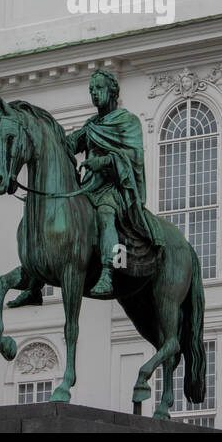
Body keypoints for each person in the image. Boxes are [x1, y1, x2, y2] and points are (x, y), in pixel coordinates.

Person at [66, 69, 163, 297]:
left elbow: (133, 157)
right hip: (87, 187)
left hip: (114, 188)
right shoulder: (91, 124)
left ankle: (108, 273)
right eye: (91, 90)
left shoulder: (127, 121)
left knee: (105, 213)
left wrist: (103, 161)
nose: (94, 94)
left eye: (98, 89)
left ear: (112, 92)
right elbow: (72, 144)